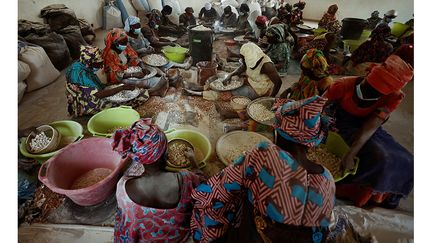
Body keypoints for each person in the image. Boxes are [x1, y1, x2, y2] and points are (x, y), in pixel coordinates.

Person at [190, 95, 336, 242]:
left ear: (277, 131)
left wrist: (198, 176)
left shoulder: (265, 154)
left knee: (213, 198)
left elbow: (222, 187)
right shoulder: (328, 179)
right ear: (311, 142)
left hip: (255, 236)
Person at [323, 54, 414, 208]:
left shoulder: (394, 97)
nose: (368, 95)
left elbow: (372, 124)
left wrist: (351, 153)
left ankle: (379, 195)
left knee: (406, 160)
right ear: (366, 76)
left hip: (367, 128)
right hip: (340, 122)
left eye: (376, 94)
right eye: (368, 88)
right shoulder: (343, 85)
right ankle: (352, 190)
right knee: (379, 156)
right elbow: (320, 106)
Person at [112, 118, 204, 243]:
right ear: (166, 154)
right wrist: (193, 161)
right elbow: (203, 183)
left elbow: (124, 218)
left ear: (138, 158)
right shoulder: (186, 179)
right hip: (174, 237)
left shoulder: (123, 187)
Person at [65, 45, 150, 117]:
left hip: (87, 95)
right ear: (90, 62)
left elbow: (95, 86)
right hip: (86, 104)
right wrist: (122, 88)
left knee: (124, 89)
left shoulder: (82, 64)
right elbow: (98, 94)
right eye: (99, 63)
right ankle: (149, 93)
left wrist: (116, 85)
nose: (101, 66)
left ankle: (147, 92)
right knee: (123, 103)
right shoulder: (80, 74)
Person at [184, 42, 282, 101]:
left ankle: (197, 93)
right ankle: (203, 88)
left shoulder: (267, 66)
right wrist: (230, 75)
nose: (242, 60)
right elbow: (242, 67)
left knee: (227, 94)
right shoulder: (251, 59)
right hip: (250, 81)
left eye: (243, 58)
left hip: (259, 90)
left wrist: (271, 98)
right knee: (222, 77)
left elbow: (278, 82)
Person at [102, 29, 169, 94]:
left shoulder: (125, 47)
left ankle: (157, 80)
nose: (125, 44)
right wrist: (132, 74)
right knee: (138, 82)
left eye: (126, 41)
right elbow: (115, 75)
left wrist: (143, 68)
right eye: (122, 42)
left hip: (128, 69)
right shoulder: (109, 55)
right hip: (120, 77)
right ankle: (152, 88)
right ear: (114, 42)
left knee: (148, 68)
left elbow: (134, 57)